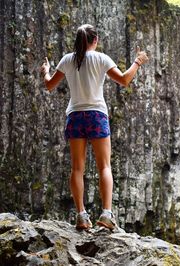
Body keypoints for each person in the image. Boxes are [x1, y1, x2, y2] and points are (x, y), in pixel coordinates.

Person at [40, 24, 148, 230]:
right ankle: (106, 215)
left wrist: (45, 71)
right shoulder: (101, 58)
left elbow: (49, 85)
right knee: (104, 167)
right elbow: (125, 80)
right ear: (95, 39)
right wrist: (137, 62)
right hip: (97, 115)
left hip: (75, 116)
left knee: (77, 169)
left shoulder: (67, 60)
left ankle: (81, 216)